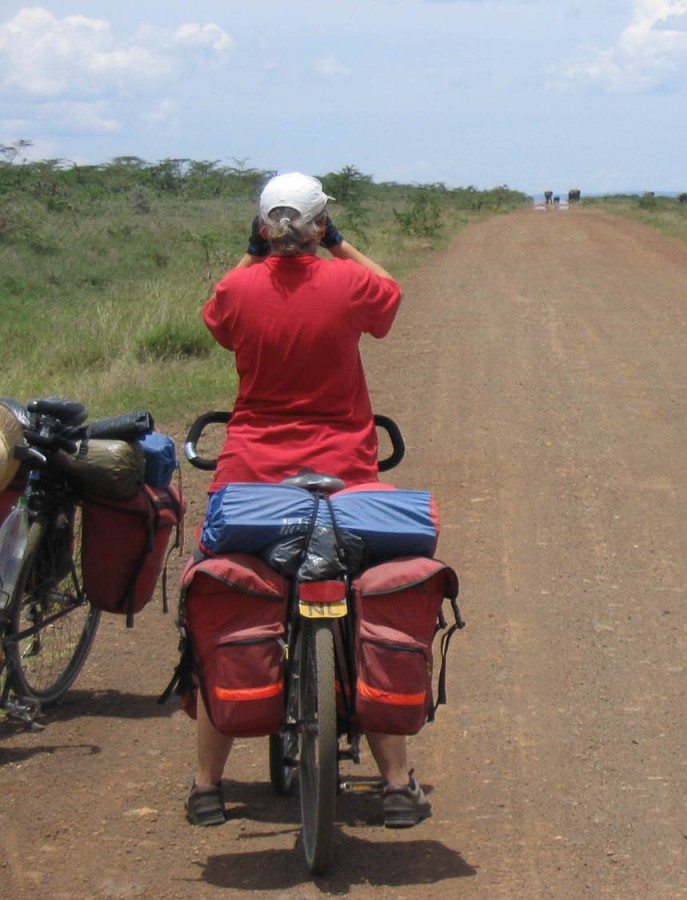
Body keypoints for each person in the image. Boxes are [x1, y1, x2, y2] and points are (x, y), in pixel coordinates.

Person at [186, 172, 431, 830]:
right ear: (319, 224)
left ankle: (207, 784)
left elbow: (217, 316)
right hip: (344, 478)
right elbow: (393, 292)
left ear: (264, 229)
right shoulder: (348, 283)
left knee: (225, 608)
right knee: (365, 602)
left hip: (250, 481)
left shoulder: (240, 287)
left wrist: (253, 252)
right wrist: (341, 244)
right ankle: (398, 783)